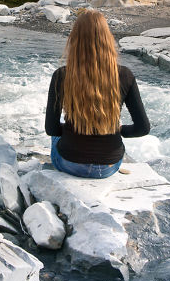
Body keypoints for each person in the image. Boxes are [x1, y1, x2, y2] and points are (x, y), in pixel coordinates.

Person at [44, 10, 150, 178]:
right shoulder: (124, 75)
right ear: (108, 40)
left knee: (56, 140)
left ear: (74, 40)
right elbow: (142, 128)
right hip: (110, 165)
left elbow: (51, 129)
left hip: (70, 163)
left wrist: (73, 129)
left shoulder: (62, 75)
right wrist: (119, 130)